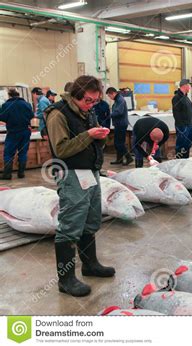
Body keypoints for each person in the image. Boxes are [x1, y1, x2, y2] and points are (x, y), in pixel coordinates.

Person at [45, 75, 114, 297]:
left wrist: (100, 136)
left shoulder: (87, 111)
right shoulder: (57, 114)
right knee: (71, 224)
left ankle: (90, 264)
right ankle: (65, 280)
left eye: (95, 101)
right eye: (88, 100)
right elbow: (61, 150)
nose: (91, 105)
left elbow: (92, 141)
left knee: (91, 219)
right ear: (75, 95)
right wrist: (88, 135)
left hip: (90, 171)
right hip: (71, 173)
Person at [0, 88, 34, 180]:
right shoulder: (27, 104)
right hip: (25, 132)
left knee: (8, 153)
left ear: (10, 96)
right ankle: (21, 173)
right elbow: (31, 115)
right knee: (23, 152)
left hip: (13, 132)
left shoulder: (6, 105)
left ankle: (7, 174)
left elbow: (2, 117)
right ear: (18, 95)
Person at [106, 87, 132, 165]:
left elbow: (119, 112)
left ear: (113, 93)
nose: (109, 98)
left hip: (121, 124)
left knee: (119, 143)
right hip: (118, 124)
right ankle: (119, 159)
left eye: (109, 96)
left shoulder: (120, 100)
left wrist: (109, 115)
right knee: (118, 142)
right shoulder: (117, 100)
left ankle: (129, 158)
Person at [172, 79, 192, 159]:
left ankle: (186, 160)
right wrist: (181, 127)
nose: (189, 87)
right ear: (184, 86)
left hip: (189, 125)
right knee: (181, 145)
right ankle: (179, 161)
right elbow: (176, 114)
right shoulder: (176, 98)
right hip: (183, 126)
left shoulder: (186, 97)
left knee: (188, 144)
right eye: (189, 85)